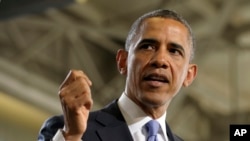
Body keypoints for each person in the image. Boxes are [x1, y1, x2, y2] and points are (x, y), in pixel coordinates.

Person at [38, 9, 197, 141]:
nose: (160, 60)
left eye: (174, 51)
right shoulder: (67, 130)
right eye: (147, 46)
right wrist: (72, 136)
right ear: (123, 61)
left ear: (189, 75)